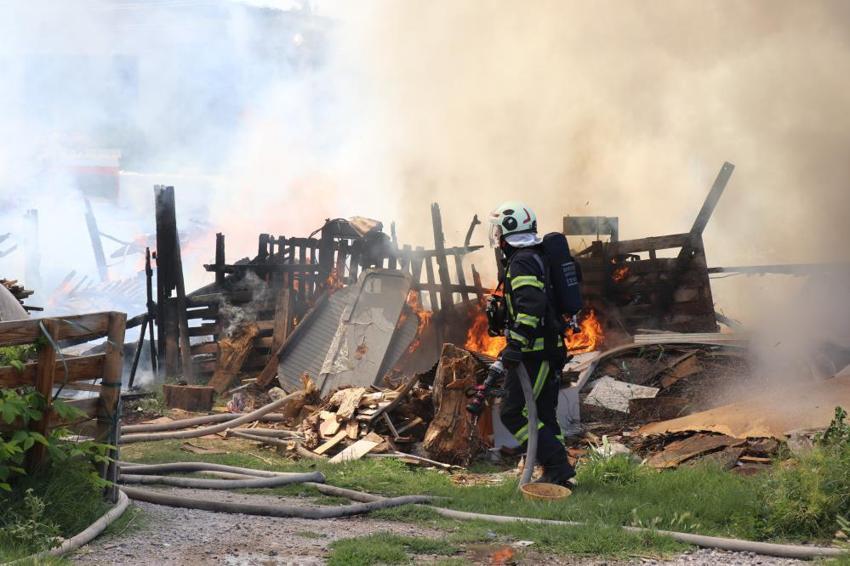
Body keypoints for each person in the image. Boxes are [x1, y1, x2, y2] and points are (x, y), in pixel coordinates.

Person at [486, 201, 575, 487]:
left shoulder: (522, 261)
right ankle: (557, 475)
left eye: (498, 230)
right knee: (545, 413)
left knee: (512, 412)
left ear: (508, 230)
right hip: (547, 348)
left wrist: (516, 344)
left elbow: (531, 304)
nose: (496, 235)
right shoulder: (534, 255)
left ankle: (556, 464)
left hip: (535, 353)